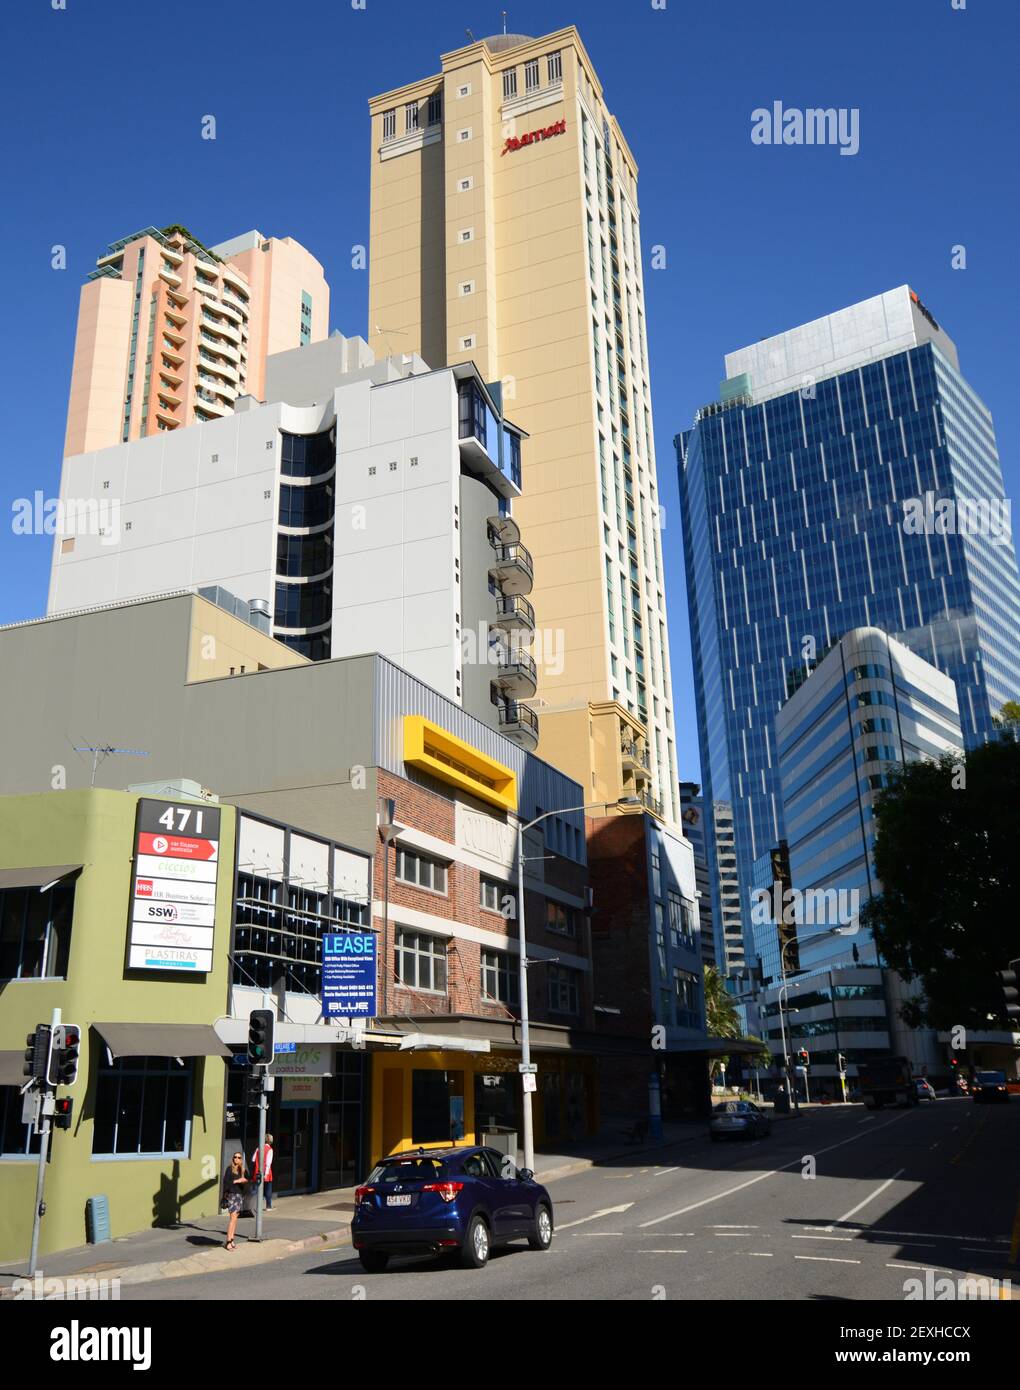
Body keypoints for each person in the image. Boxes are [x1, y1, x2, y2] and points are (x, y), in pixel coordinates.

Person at [222, 1150, 249, 1249]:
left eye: (239, 1157)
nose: (236, 1159)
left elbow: (248, 1182)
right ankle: (228, 1242)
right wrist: (237, 1180)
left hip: (239, 1196)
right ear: (233, 1159)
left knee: (235, 1219)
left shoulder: (243, 1170)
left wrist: (245, 1181)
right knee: (232, 1219)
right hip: (232, 1196)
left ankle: (232, 1240)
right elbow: (226, 1182)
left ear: (241, 1160)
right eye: (235, 1157)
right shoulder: (229, 1169)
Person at [252, 1133, 274, 1210]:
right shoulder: (270, 1150)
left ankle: (254, 1206)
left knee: (256, 1189)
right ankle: (268, 1206)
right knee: (268, 1189)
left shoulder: (258, 1148)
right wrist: (266, 1174)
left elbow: (253, 1159)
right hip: (266, 1172)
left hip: (257, 1171)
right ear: (271, 1141)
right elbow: (268, 1163)